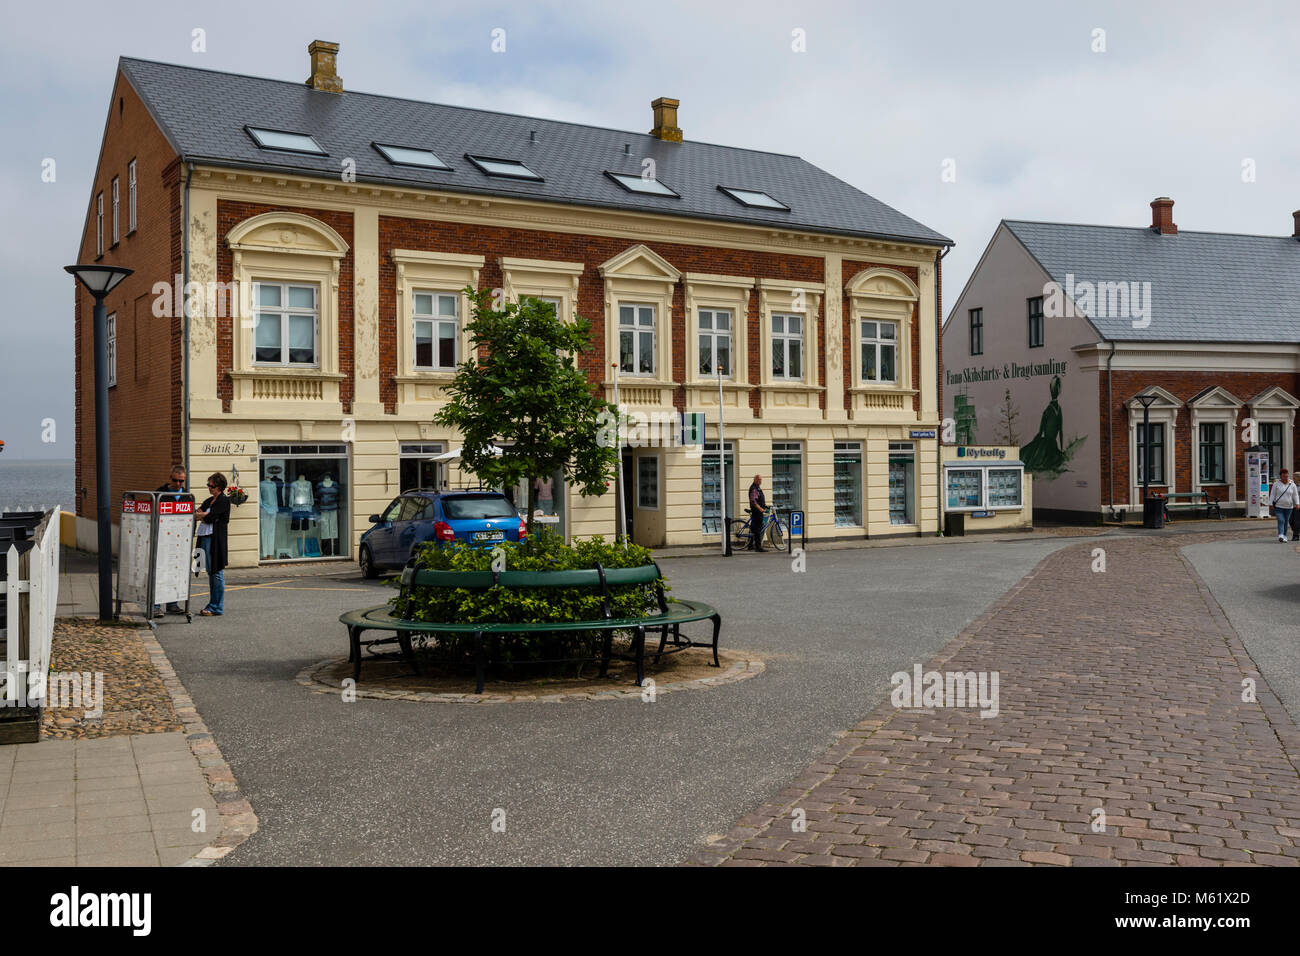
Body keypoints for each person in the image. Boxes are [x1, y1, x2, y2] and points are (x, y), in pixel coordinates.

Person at [153, 464, 188, 617]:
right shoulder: (160, 493)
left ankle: (172, 604)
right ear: (170, 478)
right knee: (160, 572)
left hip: (179, 540)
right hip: (163, 539)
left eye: (181, 481)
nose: (178, 484)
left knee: (175, 572)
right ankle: (155, 606)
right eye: (175, 480)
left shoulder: (187, 495)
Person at [195, 473, 230, 616]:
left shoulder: (224, 501)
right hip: (205, 537)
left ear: (219, 487)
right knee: (211, 572)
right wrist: (204, 515)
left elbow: (211, 518)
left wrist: (205, 515)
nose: (209, 488)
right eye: (208, 485)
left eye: (212, 486)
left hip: (215, 540)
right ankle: (213, 604)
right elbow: (197, 514)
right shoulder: (209, 501)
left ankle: (216, 607)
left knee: (216, 571)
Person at [1268, 467, 1299, 543]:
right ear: (1281, 476)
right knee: (1281, 520)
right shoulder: (1276, 484)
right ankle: (1281, 535)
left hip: (1289, 507)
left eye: (1286, 476)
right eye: (1283, 476)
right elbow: (1272, 494)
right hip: (1279, 506)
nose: (1285, 478)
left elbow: (1295, 495)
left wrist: (1297, 503)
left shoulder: (1292, 484)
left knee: (1286, 522)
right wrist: (1270, 503)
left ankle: (1284, 536)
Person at [747, 474, 767, 552]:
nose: (760, 481)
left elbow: (759, 499)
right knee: (758, 529)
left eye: (761, 479)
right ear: (755, 480)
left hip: (758, 511)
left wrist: (764, 506)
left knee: (753, 528)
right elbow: (753, 501)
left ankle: (750, 545)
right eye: (759, 479)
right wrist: (760, 508)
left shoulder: (757, 488)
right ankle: (758, 547)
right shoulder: (754, 489)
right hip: (757, 512)